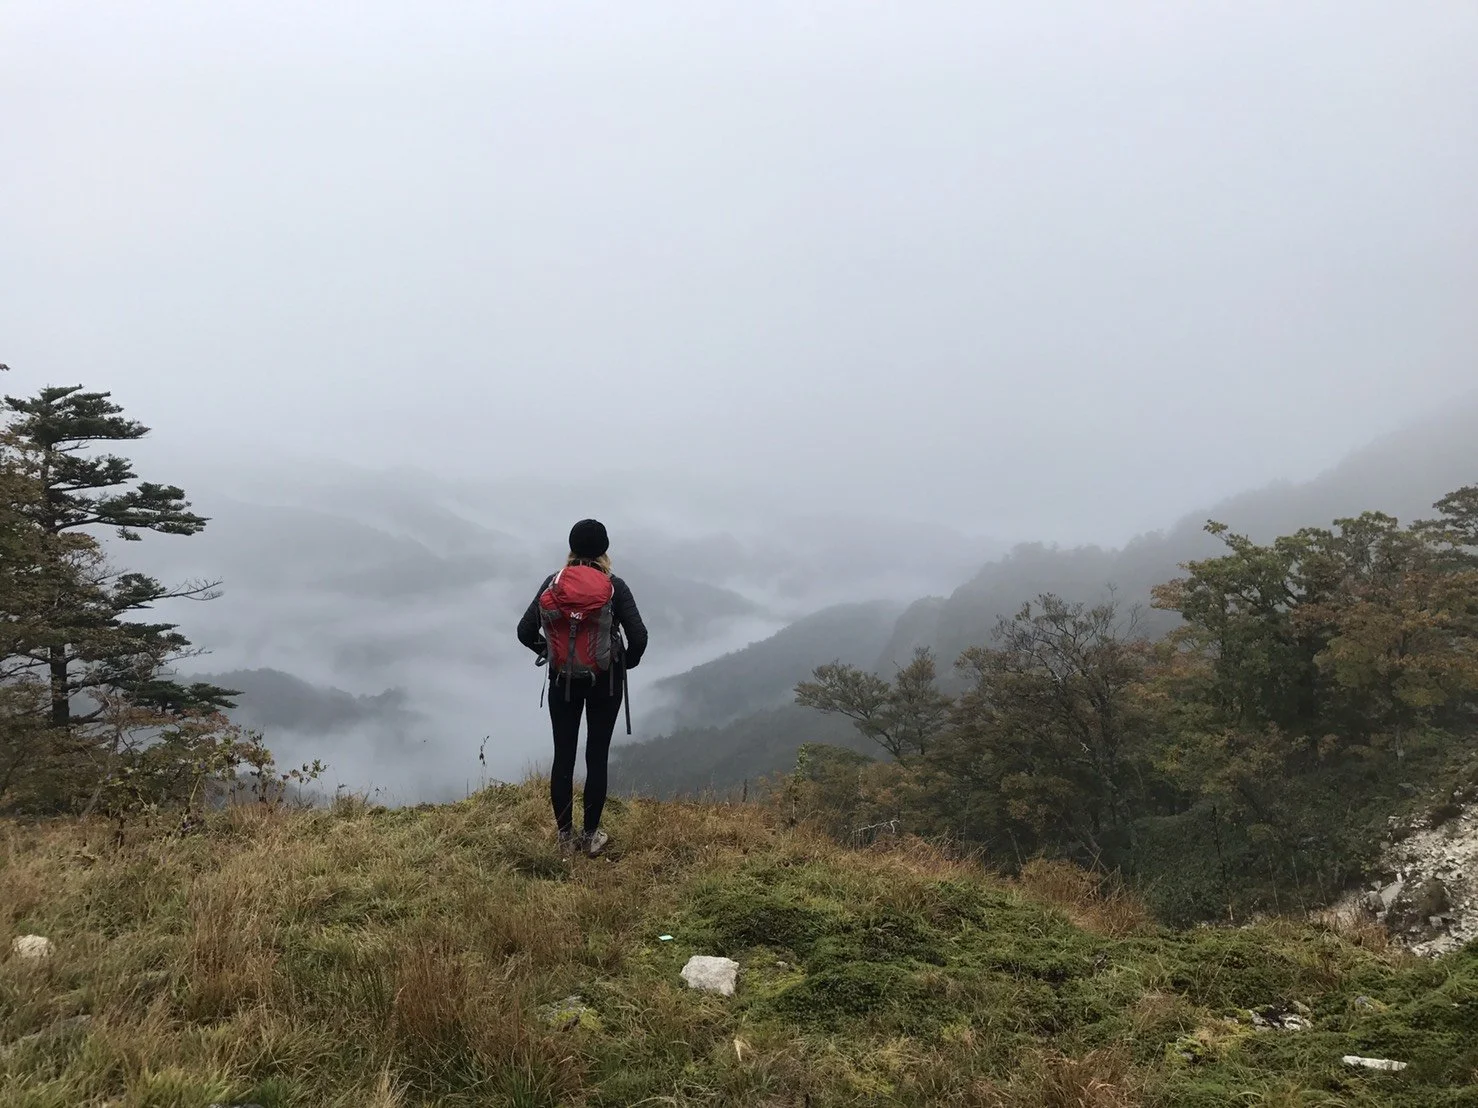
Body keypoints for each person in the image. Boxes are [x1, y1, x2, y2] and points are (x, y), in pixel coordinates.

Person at [517, 518, 647, 856]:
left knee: (564, 755)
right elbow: (640, 636)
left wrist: (548, 651)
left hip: (563, 680)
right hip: (607, 682)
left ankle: (564, 839)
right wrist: (622, 662)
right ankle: (590, 838)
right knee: (596, 755)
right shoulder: (614, 585)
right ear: (604, 550)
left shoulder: (554, 582)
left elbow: (524, 630)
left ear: (571, 548)